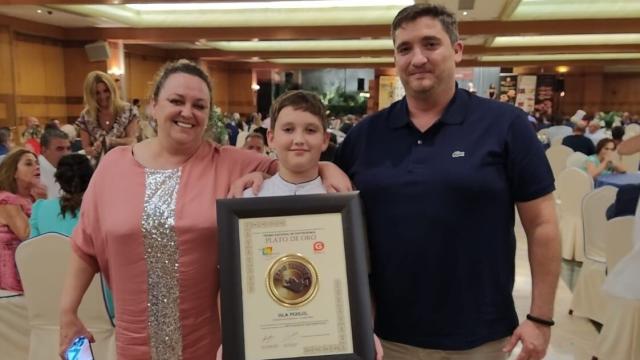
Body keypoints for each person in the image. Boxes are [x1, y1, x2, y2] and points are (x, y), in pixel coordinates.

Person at [58, 59, 350, 359]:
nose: (187, 112)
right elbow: (86, 247)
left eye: (199, 105)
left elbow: (295, 164)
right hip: (133, 340)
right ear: (152, 105)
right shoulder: (114, 166)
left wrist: (327, 169)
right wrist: (67, 312)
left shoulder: (231, 162)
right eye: (176, 101)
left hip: (208, 342)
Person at [333, 4, 560, 359]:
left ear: (457, 50)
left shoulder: (505, 125)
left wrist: (541, 318)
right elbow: (319, 202)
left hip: (480, 337)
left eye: (430, 44)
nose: (417, 58)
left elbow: (543, 224)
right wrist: (267, 171)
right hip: (384, 337)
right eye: (404, 48)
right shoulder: (365, 136)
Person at [243, 90, 329, 198]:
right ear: (271, 138)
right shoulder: (249, 199)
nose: (299, 140)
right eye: (288, 130)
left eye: (310, 130)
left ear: (325, 140)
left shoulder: (342, 202)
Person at [0, 149, 46, 292]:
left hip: (31, 264)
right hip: (13, 273)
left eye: (36, 163)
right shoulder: (6, 200)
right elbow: (26, 234)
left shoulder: (31, 198)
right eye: (28, 164)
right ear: (14, 172)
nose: (36, 166)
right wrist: (42, 203)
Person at [76, 71, 139, 163]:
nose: (103, 96)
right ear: (90, 95)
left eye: (106, 91)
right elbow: (87, 148)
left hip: (125, 163)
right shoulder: (86, 116)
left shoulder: (128, 110)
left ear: (112, 89)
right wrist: (94, 150)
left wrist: (111, 141)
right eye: (97, 93)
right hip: (99, 167)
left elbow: (132, 141)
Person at [29, 154, 94, 238]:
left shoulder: (39, 208)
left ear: (59, 180)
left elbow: (32, 246)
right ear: (92, 178)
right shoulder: (97, 210)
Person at [38, 129, 71, 199]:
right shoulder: (35, 172)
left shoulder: (70, 168)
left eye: (68, 148)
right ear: (44, 150)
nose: (66, 154)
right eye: (60, 149)